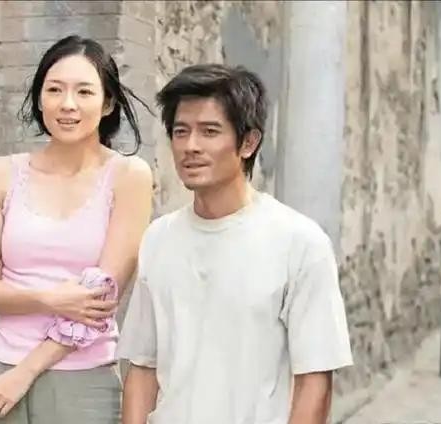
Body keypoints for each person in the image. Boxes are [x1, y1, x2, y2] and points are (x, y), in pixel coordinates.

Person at [117, 64, 353, 424]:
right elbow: (143, 366)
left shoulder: (299, 242)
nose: (191, 146)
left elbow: (315, 379)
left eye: (209, 131)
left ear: (249, 142)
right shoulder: (159, 238)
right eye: (180, 132)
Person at [0, 35, 153, 423]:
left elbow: (99, 301)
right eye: (54, 90)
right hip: (0, 374)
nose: (68, 104)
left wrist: (25, 371)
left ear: (108, 103)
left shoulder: (128, 176)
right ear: (39, 99)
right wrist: (51, 298)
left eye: (84, 91)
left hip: (82, 383)